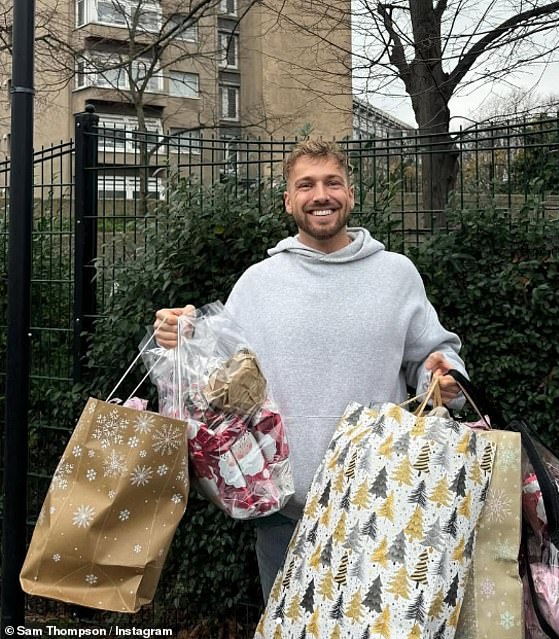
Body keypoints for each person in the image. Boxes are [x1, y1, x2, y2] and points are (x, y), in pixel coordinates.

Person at [154, 139, 467, 601]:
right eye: (306, 185)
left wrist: (443, 376)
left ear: (350, 193)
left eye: (332, 182)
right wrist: (183, 334)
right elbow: (218, 381)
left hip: (380, 505)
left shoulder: (397, 274)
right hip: (283, 511)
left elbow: (433, 354)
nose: (321, 194)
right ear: (288, 200)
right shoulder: (257, 283)